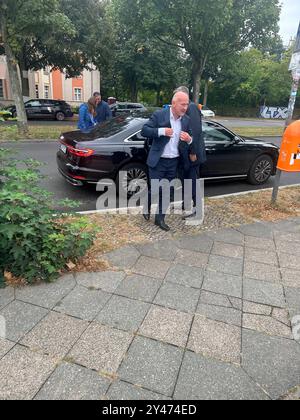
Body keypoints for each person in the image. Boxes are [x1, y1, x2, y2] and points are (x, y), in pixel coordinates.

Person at [141, 92, 193, 231]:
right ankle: (146, 205)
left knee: (168, 191)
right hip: (158, 161)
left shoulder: (186, 120)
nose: (185, 107)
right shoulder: (160, 115)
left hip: (174, 162)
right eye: (183, 104)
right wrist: (161, 131)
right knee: (156, 189)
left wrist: (189, 139)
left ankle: (160, 219)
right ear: (174, 103)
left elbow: (191, 138)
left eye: (187, 104)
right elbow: (144, 130)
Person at [174, 86, 207, 220]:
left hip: (192, 154)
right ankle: (186, 203)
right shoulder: (186, 108)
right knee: (186, 180)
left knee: (192, 182)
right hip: (186, 153)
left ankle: (197, 210)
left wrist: (192, 151)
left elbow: (195, 132)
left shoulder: (191, 108)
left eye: (177, 96)